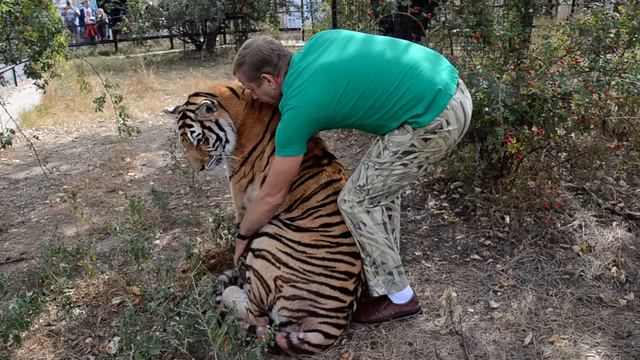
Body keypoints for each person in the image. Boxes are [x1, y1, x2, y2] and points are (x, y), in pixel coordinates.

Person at [232, 29, 472, 324]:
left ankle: (401, 298)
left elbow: (272, 196)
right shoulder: (320, 42)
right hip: (451, 85)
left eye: (252, 88)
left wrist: (243, 234)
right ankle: (384, 278)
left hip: (436, 117)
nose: (252, 96)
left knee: (356, 200)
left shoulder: (298, 108)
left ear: (269, 79)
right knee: (376, 188)